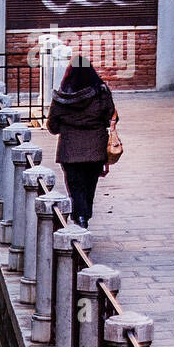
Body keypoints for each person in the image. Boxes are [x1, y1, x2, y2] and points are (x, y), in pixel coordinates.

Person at [46, 59, 117, 228]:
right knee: (89, 185)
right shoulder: (101, 92)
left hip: (69, 151)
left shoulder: (61, 97)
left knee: (75, 186)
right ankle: (84, 215)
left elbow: (53, 127)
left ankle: (80, 216)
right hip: (95, 149)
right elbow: (110, 117)